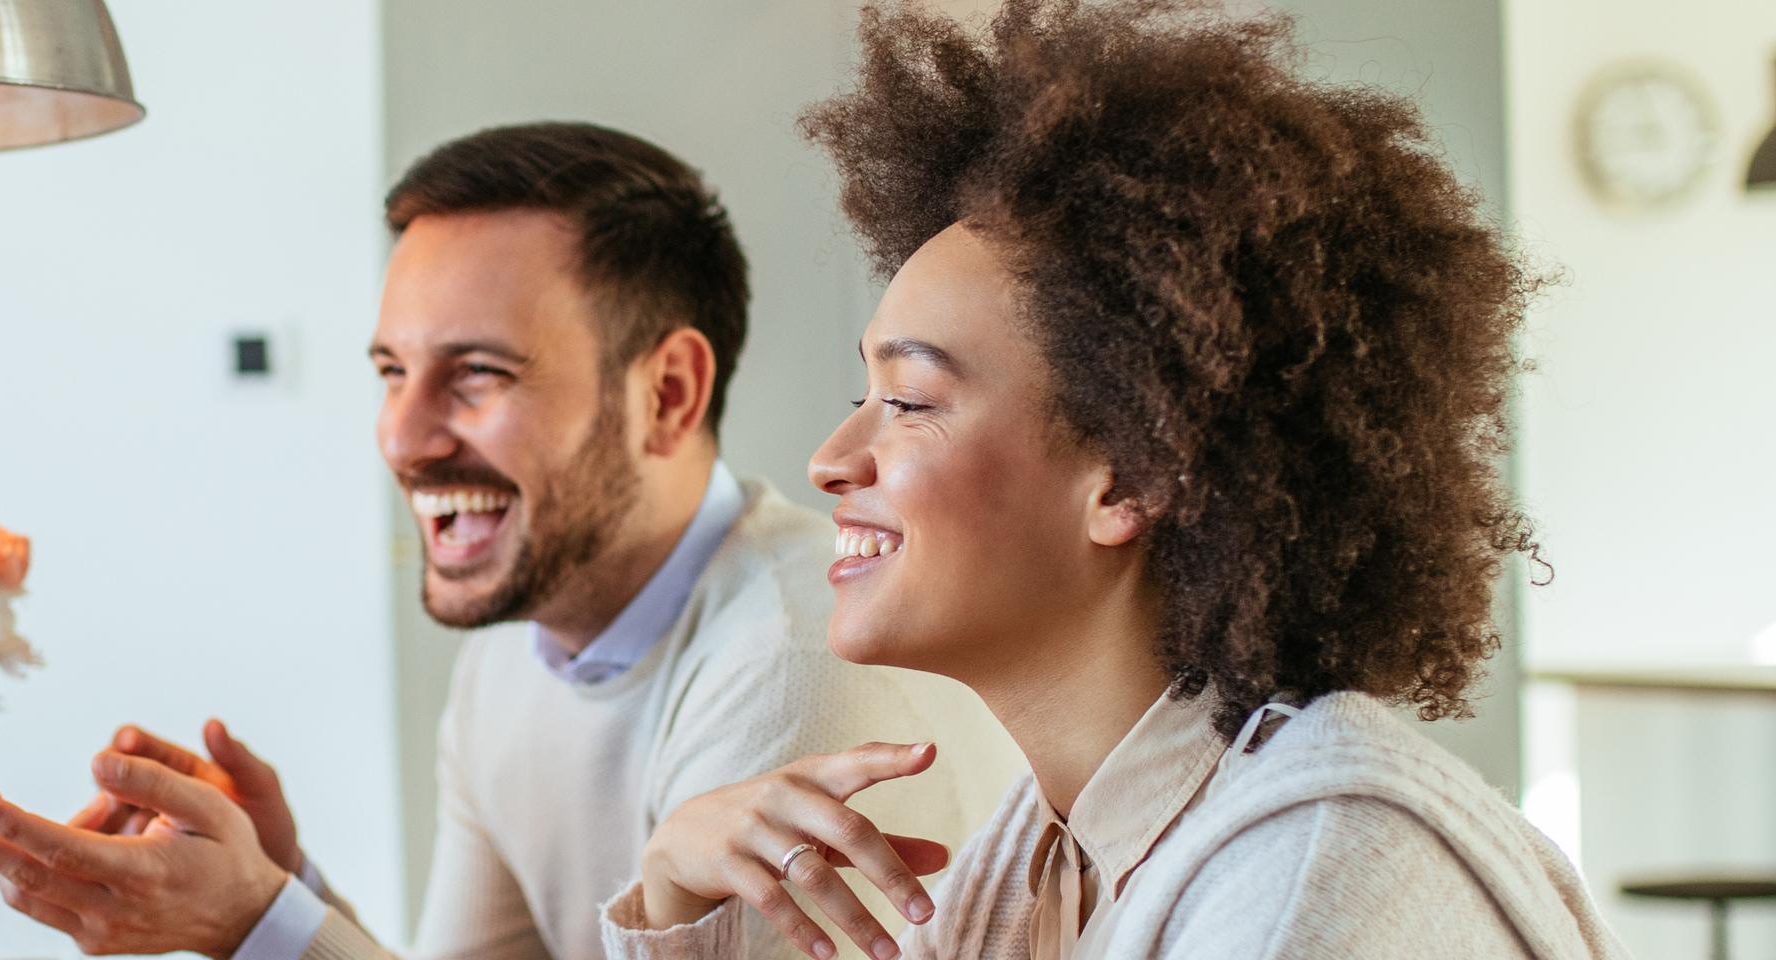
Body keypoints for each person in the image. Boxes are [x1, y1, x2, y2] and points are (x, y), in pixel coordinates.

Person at [598, 2, 1620, 958]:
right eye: (861, 393)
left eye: (908, 401)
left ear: (1132, 476)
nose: (830, 460)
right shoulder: (1048, 858)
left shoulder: (1314, 887)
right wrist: (676, 889)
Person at [0, 122, 1016, 960]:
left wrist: (265, 923)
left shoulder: (798, 667)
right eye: (393, 373)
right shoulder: (512, 653)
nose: (400, 437)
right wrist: (279, 884)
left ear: (669, 393)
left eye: (478, 374)